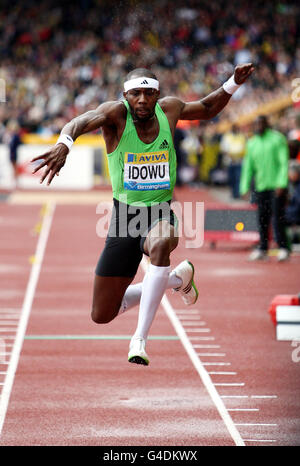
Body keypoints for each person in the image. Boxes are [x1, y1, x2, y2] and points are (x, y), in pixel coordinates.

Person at [31, 63, 254, 365]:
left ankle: (139, 339)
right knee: (101, 314)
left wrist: (232, 83)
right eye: (136, 94)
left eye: (149, 94)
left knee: (161, 244)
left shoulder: (170, 110)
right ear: (125, 95)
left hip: (161, 211)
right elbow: (80, 122)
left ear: (157, 94)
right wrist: (64, 143)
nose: (142, 100)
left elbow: (206, 107)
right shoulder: (115, 114)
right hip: (124, 219)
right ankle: (177, 280)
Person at [239, 115, 290, 262]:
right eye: (256, 124)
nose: (258, 126)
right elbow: (248, 167)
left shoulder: (277, 139)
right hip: (261, 186)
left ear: (267, 124)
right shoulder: (252, 143)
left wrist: (282, 183)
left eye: (261, 123)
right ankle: (263, 248)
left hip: (276, 186)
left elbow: (283, 163)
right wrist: (244, 187)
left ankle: (283, 248)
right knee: (262, 218)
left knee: (278, 218)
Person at [220, 123, 246, 199]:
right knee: (231, 178)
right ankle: (233, 191)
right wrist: (230, 155)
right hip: (230, 162)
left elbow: (245, 148)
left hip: (239, 161)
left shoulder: (242, 137)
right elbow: (223, 149)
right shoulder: (227, 137)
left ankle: (237, 194)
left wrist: (239, 155)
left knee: (238, 178)